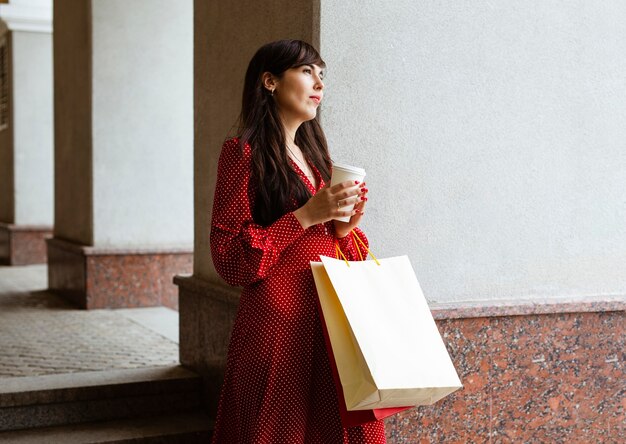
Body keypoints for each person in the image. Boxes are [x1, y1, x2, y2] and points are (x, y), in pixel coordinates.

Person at [210, 39, 385, 443]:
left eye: (321, 74)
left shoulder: (315, 156)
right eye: (307, 71)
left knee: (346, 428)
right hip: (278, 317)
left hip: (330, 316)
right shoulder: (242, 153)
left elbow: (328, 242)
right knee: (278, 430)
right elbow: (230, 258)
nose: (318, 83)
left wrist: (342, 227)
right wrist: (307, 215)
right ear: (269, 81)